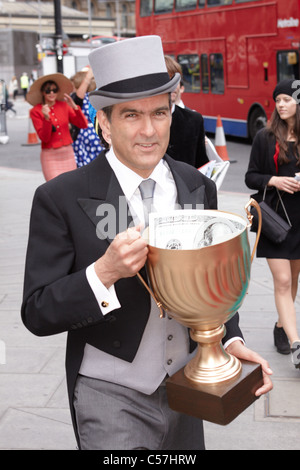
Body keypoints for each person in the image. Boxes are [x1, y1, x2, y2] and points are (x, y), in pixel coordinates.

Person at [21, 36, 272, 451]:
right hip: (109, 393)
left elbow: (212, 283)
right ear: (104, 122)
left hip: (189, 389)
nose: (149, 130)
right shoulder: (60, 198)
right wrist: (104, 272)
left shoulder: (196, 186)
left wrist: (231, 341)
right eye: (131, 115)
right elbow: (36, 311)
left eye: (160, 112)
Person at [245, 78, 300, 369]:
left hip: (299, 220)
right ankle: (296, 344)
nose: (280, 104)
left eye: (287, 99)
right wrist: (274, 179)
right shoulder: (265, 137)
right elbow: (251, 176)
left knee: (293, 281)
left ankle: (282, 326)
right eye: (278, 100)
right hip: (276, 221)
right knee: (282, 281)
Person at [26, 73, 88, 181]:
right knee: (55, 190)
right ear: (42, 92)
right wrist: (46, 118)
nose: (51, 93)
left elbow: (83, 124)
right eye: (48, 90)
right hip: (50, 157)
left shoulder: (64, 105)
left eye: (54, 90)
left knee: (71, 187)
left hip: (68, 154)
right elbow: (44, 138)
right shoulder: (36, 111)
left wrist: (75, 107)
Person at [165, 55, 209, 169]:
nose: (173, 86)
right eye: (168, 80)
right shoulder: (144, 124)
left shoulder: (194, 120)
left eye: (176, 80)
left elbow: (202, 163)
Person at [70, 67, 104, 167]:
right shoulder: (95, 96)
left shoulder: (83, 97)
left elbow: (78, 96)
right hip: (97, 134)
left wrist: (88, 77)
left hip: (85, 136)